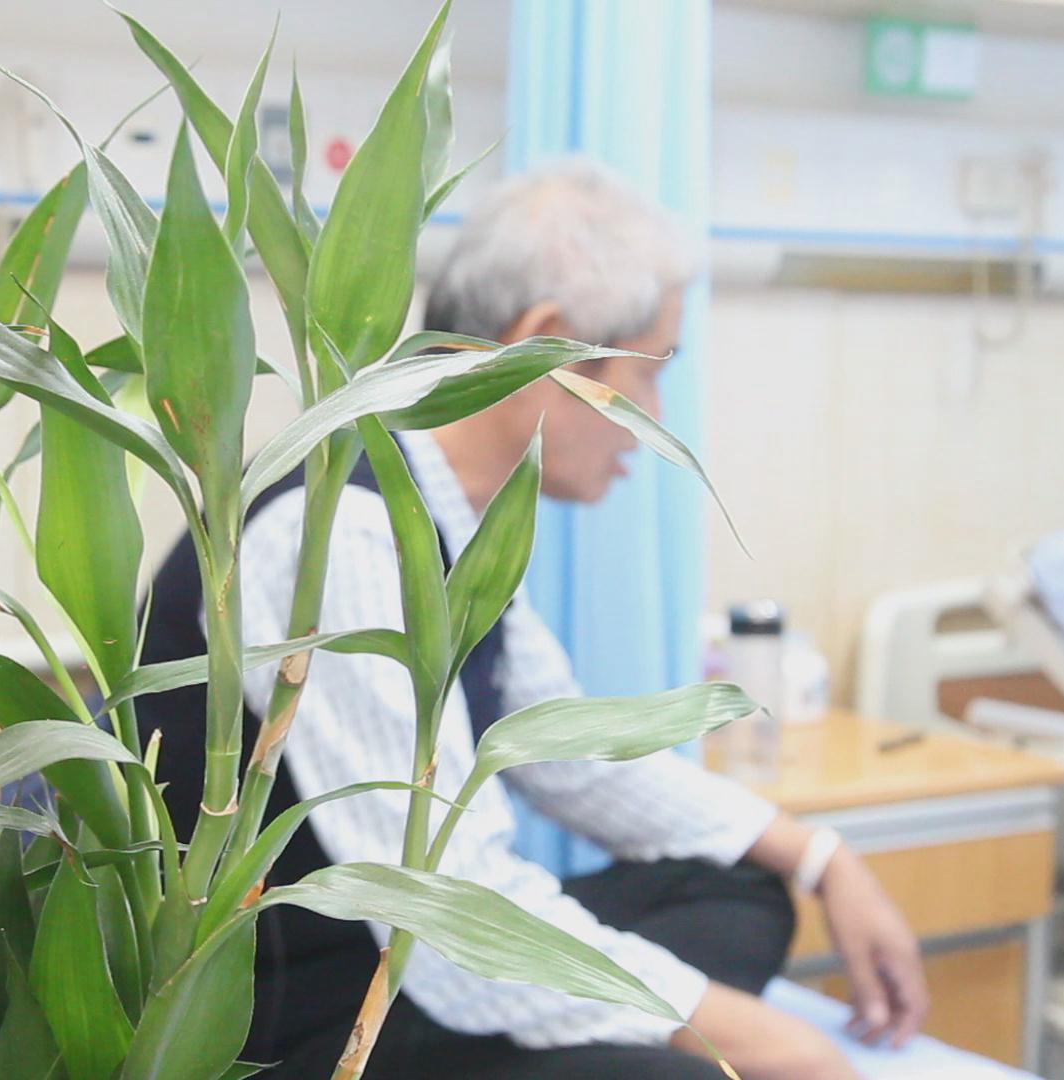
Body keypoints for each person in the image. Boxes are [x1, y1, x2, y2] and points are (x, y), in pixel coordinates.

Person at [137, 160, 927, 1080]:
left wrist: (824, 857)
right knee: (691, 1066)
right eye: (652, 372)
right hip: (307, 1027)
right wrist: (746, 1038)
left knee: (741, 892)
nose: (656, 420)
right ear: (550, 345)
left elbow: (571, 758)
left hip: (404, 967)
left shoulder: (447, 521)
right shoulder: (345, 534)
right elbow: (441, 910)